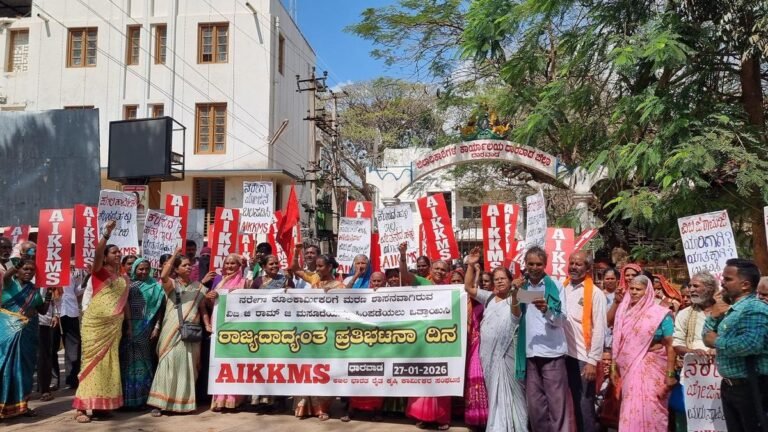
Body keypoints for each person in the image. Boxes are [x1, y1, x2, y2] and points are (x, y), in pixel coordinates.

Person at [73, 221, 130, 423]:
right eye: (113, 252)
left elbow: (124, 303)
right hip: (95, 326)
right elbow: (97, 255)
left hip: (114, 327)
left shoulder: (123, 276)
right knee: (90, 363)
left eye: (119, 252)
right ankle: (81, 408)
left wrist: (128, 324)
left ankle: (100, 406)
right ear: (105, 256)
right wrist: (106, 234)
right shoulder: (99, 272)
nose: (117, 254)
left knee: (108, 365)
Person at [464, 248, 526, 431]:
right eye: (496, 279)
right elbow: (468, 287)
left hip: (509, 355)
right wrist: (470, 264)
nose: (499, 281)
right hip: (488, 356)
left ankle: (517, 427)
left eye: (503, 278)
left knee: (514, 395)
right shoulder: (489, 297)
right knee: (495, 393)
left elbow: (537, 299)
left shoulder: (520, 295)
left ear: (509, 279)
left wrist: (520, 288)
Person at [703, 259, 768, 432]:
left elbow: (751, 344)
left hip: (751, 388)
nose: (722, 283)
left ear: (745, 285)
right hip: (730, 387)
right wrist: (713, 316)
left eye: (728, 279)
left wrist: (716, 341)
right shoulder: (729, 309)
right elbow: (706, 335)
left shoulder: (754, 308)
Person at [147, 248, 212, 417]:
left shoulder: (198, 286)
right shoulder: (172, 284)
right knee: (168, 364)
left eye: (190, 265)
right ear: (176, 269)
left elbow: (203, 307)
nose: (189, 267)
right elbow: (162, 276)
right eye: (184, 265)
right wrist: (174, 255)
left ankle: (183, 404)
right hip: (172, 330)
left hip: (191, 332)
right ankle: (160, 403)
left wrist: (207, 324)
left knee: (186, 366)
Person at [611, 275, 677, 431]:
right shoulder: (623, 312)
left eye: (638, 289)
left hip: (653, 366)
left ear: (648, 292)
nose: (633, 292)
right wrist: (613, 367)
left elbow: (670, 344)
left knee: (652, 407)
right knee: (630, 407)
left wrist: (670, 373)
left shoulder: (660, 313)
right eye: (631, 288)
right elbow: (617, 342)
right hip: (629, 368)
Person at [401, 243, 452, 430]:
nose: (439, 271)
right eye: (436, 268)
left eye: (443, 269)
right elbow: (405, 275)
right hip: (423, 339)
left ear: (447, 273)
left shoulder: (453, 289)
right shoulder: (423, 283)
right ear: (431, 269)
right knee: (422, 377)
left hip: (444, 340)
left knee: (442, 377)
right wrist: (402, 254)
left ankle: (442, 418)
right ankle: (422, 415)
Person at [290, 244, 342, 420]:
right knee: (308, 369)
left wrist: (332, 295)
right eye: (317, 266)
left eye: (321, 266)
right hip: (310, 333)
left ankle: (322, 408)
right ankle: (304, 407)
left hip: (328, 336)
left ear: (329, 267)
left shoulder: (340, 286)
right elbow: (295, 269)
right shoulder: (313, 280)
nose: (317, 269)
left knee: (324, 371)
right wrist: (297, 252)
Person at [671, 271, 724, 431]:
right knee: (688, 417)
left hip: (719, 379)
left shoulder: (726, 312)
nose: (691, 289)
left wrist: (718, 351)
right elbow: (677, 344)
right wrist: (691, 352)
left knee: (719, 419)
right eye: (690, 286)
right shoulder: (685, 314)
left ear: (709, 288)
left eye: (695, 286)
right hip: (692, 379)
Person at [0, 258, 51, 419]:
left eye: (31, 270)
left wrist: (49, 294)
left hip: (28, 335)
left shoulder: (33, 290)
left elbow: (42, 310)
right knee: (5, 368)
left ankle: (21, 406)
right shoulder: (9, 283)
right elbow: (6, 276)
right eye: (25, 269)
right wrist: (16, 265)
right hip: (8, 334)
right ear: (18, 271)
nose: (28, 272)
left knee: (25, 370)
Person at [563, 252, 607, 432]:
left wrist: (592, 361)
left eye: (578, 264)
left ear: (588, 268)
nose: (573, 267)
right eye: (571, 262)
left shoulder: (596, 294)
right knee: (567, 402)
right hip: (563, 355)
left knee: (584, 403)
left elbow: (600, 329)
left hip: (583, 358)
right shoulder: (562, 288)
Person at [120, 258, 165, 409]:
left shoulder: (155, 286)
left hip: (146, 329)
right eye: (140, 269)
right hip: (127, 328)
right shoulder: (127, 284)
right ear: (134, 269)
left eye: (146, 269)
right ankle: (127, 400)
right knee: (127, 364)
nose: (144, 272)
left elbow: (159, 309)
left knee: (145, 363)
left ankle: (143, 399)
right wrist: (126, 326)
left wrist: (157, 327)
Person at [207, 254, 247, 412]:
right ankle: (219, 399)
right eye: (227, 263)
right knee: (220, 363)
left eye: (233, 264)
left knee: (235, 363)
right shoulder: (218, 280)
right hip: (221, 327)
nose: (230, 266)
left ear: (239, 265)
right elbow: (211, 301)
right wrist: (211, 295)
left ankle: (235, 399)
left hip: (238, 328)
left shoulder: (245, 282)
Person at [464, 264, 490, 429]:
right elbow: (469, 287)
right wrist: (474, 269)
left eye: (488, 281)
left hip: (487, 345)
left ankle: (488, 417)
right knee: (474, 376)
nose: (484, 284)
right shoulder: (469, 302)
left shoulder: (494, 299)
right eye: (482, 281)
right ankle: (476, 417)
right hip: (473, 345)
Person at [60, 266, 86, 390]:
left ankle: (72, 379)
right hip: (50, 312)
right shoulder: (47, 268)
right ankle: (50, 382)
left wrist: (86, 281)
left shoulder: (74, 270)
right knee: (50, 347)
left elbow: (77, 290)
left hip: (70, 311)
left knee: (73, 346)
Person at [37, 287, 61, 401]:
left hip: (45, 322)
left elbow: (56, 299)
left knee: (45, 356)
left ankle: (44, 389)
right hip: (23, 322)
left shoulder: (49, 278)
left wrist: (56, 315)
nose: (28, 272)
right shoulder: (21, 281)